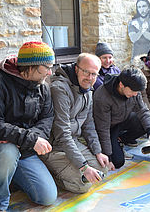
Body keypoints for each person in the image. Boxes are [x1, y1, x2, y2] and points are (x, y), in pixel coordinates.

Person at [0, 41, 57, 211]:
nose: (50, 72)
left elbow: (47, 119)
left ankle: (9, 177)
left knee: (47, 197)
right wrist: (29, 139)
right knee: (8, 151)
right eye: (47, 67)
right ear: (30, 67)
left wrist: (26, 139)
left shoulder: (44, 88)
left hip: (23, 149)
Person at [42, 53, 111, 194]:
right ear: (76, 69)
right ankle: (48, 173)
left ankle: (70, 170)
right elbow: (62, 134)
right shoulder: (59, 89)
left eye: (94, 74)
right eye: (86, 72)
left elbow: (88, 124)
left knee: (102, 169)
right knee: (82, 185)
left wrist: (97, 151)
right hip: (54, 146)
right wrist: (84, 167)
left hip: (72, 142)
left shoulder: (87, 90)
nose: (90, 78)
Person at [93, 67, 150, 170]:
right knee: (117, 162)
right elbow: (102, 129)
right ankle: (114, 144)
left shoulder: (134, 90)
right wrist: (108, 156)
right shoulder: (103, 96)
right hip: (107, 127)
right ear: (121, 85)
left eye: (137, 92)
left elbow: (143, 110)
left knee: (149, 120)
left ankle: (120, 139)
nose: (135, 94)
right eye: (133, 91)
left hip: (123, 119)